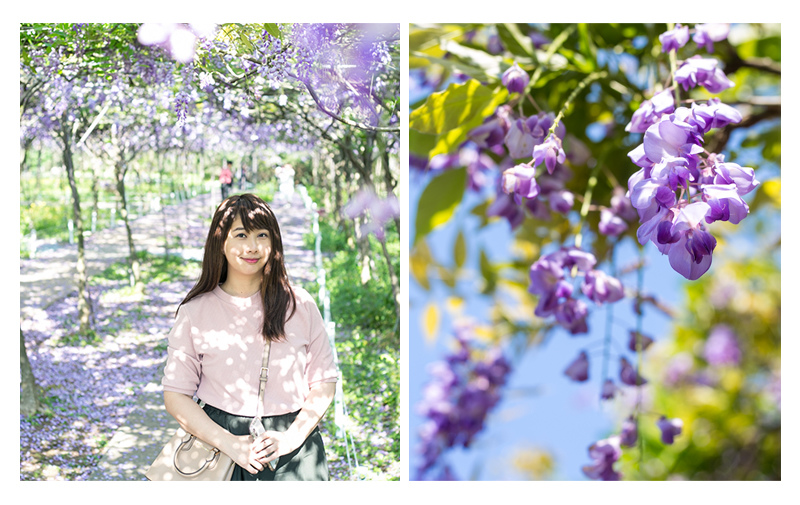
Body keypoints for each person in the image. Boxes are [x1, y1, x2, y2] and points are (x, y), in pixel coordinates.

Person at [161, 193, 339, 481]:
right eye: (241, 235)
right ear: (221, 242)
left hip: (295, 453)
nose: (252, 247)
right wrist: (230, 443)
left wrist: (291, 438)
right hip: (218, 447)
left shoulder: (300, 305)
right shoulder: (195, 312)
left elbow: (324, 383)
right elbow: (176, 396)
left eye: (262, 235)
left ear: (274, 242)